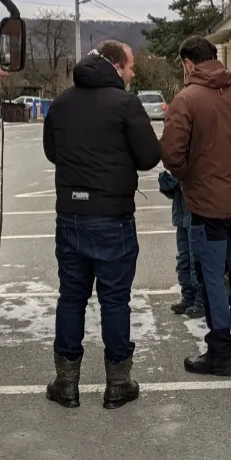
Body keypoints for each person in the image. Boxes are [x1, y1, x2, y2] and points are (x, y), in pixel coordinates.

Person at [42, 41, 161, 409]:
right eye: (129, 65)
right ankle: (117, 383)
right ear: (114, 64)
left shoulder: (61, 103)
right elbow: (148, 157)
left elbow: (51, 151)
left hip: (71, 216)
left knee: (72, 297)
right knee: (114, 300)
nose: (133, 72)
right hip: (112, 217)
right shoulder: (125, 104)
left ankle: (66, 383)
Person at [161, 35, 231, 377]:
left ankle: (220, 353)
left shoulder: (186, 99)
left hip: (206, 206)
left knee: (211, 279)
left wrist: (188, 179)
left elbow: (172, 154)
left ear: (189, 64)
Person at [158, 170, 204, 319]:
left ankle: (200, 299)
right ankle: (188, 296)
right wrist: (167, 181)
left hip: (196, 211)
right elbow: (172, 191)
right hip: (182, 212)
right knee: (183, 257)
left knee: (195, 257)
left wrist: (177, 176)